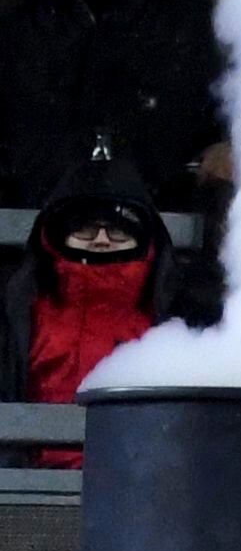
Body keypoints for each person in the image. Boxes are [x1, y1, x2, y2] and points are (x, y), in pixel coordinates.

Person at [0, 0, 227, 209]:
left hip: (168, 231)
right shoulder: (17, 34)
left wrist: (225, 149)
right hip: (37, 228)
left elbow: (229, 115)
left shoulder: (187, 25)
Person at [2, 145, 193, 438]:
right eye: (85, 230)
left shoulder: (174, 311)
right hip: (27, 474)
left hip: (138, 474)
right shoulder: (17, 312)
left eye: (118, 231)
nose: (101, 241)